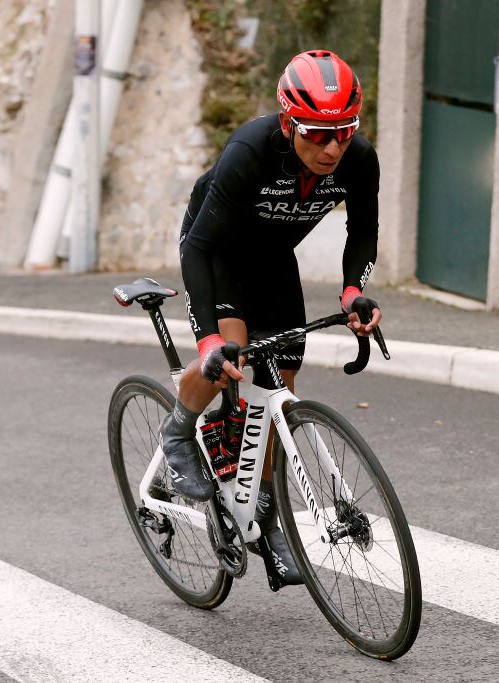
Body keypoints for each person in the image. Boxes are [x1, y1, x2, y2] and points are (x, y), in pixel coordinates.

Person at [159, 50, 382, 585]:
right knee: (227, 359)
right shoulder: (250, 151)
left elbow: (364, 232)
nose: (333, 147)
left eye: (345, 132)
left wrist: (353, 292)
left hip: (274, 262)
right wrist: (210, 338)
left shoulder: (358, 159)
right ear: (288, 123)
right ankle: (178, 432)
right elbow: (197, 247)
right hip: (218, 254)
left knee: (278, 390)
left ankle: (267, 512)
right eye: (317, 133)